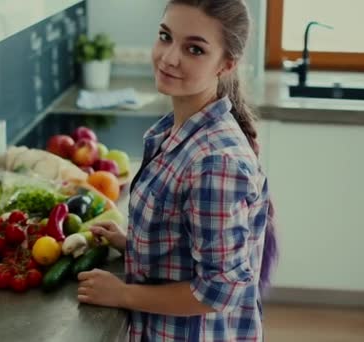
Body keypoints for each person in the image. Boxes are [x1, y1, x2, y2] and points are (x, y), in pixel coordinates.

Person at [76, 0, 278, 341]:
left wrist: (121, 293)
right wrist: (133, 244)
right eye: (165, 37)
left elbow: (221, 290)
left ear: (226, 64)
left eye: (194, 49)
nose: (169, 57)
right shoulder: (176, 132)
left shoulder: (215, 162)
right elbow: (189, 245)